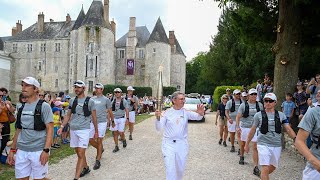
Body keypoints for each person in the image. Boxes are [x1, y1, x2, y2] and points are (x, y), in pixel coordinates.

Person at [7, 77, 54, 179]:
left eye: (27, 85)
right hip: (22, 150)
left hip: (38, 150)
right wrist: (12, 150)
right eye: (22, 85)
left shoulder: (44, 106)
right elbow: (19, 129)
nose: (23, 88)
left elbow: (50, 129)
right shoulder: (21, 107)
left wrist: (46, 150)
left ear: (35, 89)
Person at [244, 93, 296, 180]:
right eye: (266, 101)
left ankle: (263, 176)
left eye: (270, 101)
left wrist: (295, 139)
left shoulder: (281, 115)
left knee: (273, 166)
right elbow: (252, 130)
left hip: (276, 144)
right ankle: (264, 175)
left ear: (275, 102)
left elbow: (288, 129)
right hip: (263, 144)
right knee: (265, 167)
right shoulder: (258, 115)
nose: (268, 103)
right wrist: (247, 144)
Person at [155, 92, 205, 180]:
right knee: (170, 169)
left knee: (180, 170)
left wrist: (201, 114)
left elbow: (197, 117)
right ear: (174, 100)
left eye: (184, 99)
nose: (183, 101)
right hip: (169, 144)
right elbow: (159, 128)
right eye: (181, 99)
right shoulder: (166, 113)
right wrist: (157, 119)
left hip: (182, 144)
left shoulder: (185, 112)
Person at [57, 80, 98, 180]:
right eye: (75, 87)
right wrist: (62, 127)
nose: (76, 89)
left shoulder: (90, 101)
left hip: (84, 129)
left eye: (79, 87)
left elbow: (94, 117)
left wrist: (96, 131)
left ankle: (76, 177)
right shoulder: (72, 101)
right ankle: (86, 167)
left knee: (80, 153)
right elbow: (68, 115)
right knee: (77, 151)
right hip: (73, 129)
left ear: (83, 88)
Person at [236, 88, 263, 176]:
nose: (254, 96)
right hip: (245, 127)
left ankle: (255, 167)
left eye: (255, 94)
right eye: (252, 94)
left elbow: (263, 116)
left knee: (255, 146)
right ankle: (242, 156)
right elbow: (238, 116)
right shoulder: (243, 105)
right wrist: (237, 126)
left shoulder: (260, 105)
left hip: (256, 128)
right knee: (243, 144)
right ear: (248, 96)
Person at [295, 89, 320, 179]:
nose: (318, 92)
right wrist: (315, 162)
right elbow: (299, 141)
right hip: (315, 170)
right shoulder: (313, 112)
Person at [89, 83, 114, 170]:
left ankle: (98, 160)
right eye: (96, 88)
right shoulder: (91, 99)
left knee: (99, 140)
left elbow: (110, 111)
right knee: (90, 140)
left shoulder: (106, 100)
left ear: (102, 90)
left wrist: (112, 121)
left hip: (102, 122)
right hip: (92, 122)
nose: (97, 90)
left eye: (98, 88)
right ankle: (100, 149)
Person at [110, 88, 129, 153]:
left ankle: (124, 139)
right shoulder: (113, 101)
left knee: (121, 132)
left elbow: (126, 110)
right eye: (115, 92)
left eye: (118, 92)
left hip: (121, 118)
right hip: (115, 118)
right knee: (115, 133)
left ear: (121, 93)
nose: (117, 93)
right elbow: (110, 110)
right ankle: (116, 146)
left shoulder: (124, 101)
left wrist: (127, 119)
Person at [0, 90, 15, 154]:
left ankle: (2, 153)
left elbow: (12, 111)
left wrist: (10, 105)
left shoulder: (4, 103)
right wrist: (1, 107)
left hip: (6, 123)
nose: (1, 97)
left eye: (2, 95)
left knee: (6, 139)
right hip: (0, 123)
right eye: (0, 95)